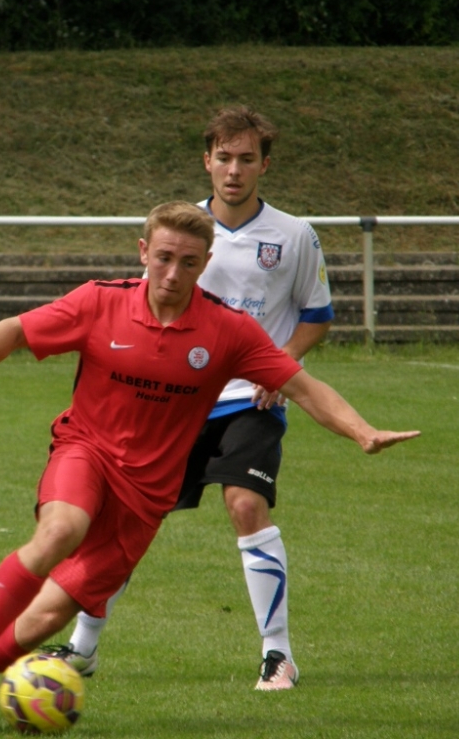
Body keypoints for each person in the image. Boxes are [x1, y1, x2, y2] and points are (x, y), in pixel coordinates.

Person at [0, 200, 419, 722]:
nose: (173, 273)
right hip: (86, 451)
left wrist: (362, 432)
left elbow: (303, 387)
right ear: (144, 252)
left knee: (41, 622)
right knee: (61, 530)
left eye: (188, 263)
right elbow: (16, 329)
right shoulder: (100, 302)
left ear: (206, 262)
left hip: (146, 497)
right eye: (164, 257)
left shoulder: (227, 330)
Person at [58, 105, 333, 690]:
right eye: (224, 157)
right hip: (174, 404)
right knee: (125, 524)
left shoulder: (295, 236)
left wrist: (277, 367)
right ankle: (82, 649)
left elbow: (318, 316)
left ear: (265, 164)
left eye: (247, 158)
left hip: (250, 403)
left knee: (244, 505)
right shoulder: (183, 234)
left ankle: (277, 654)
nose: (234, 169)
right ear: (207, 161)